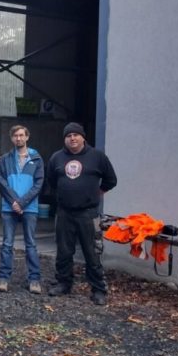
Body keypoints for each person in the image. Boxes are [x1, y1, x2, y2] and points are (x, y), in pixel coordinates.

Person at [45, 122, 117, 306]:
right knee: (64, 251)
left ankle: (98, 289)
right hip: (64, 213)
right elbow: (51, 181)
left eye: (76, 135)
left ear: (83, 137)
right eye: (69, 136)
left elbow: (111, 180)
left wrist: (95, 193)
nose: (72, 138)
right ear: (65, 139)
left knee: (92, 252)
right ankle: (63, 283)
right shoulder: (56, 158)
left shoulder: (97, 157)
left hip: (88, 213)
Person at [0, 125, 44, 294]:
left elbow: (39, 184)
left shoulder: (36, 158)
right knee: (7, 244)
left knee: (30, 244)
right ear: (11, 139)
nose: (18, 138)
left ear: (27, 137)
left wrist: (22, 203)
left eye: (21, 135)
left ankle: (34, 280)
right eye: (15, 135)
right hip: (9, 208)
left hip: (29, 208)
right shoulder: (6, 159)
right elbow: (1, 182)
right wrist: (14, 202)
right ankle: (3, 278)